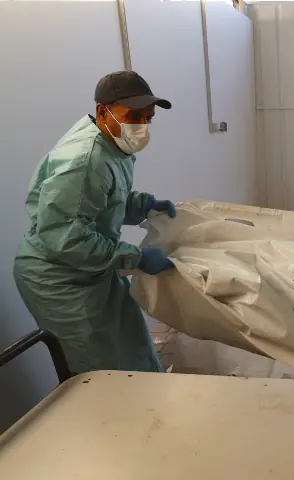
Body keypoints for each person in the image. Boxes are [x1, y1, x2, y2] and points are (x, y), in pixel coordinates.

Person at [14, 71, 177, 375]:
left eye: (148, 118)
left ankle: (145, 415)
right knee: (101, 372)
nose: (141, 127)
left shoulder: (113, 145)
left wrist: (144, 205)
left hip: (90, 267)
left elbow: (103, 201)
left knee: (131, 346)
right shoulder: (84, 160)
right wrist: (136, 258)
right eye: (134, 116)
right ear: (103, 110)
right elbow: (66, 237)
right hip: (60, 279)